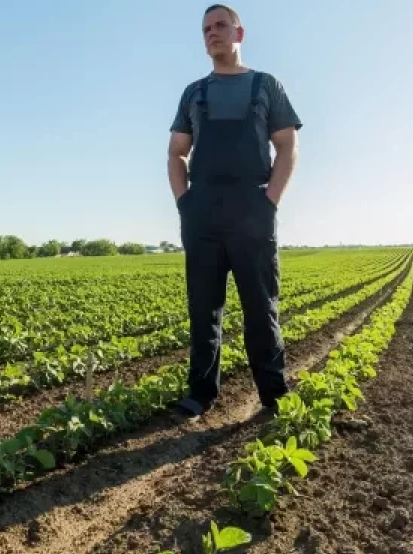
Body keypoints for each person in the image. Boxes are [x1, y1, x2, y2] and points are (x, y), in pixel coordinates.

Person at [167, 4, 302, 420]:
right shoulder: (193, 92)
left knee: (261, 306)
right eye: (206, 28)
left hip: (251, 206)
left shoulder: (266, 86)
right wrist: (185, 203)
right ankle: (201, 393)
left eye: (221, 25)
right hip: (202, 209)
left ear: (239, 34)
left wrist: (270, 200)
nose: (213, 33)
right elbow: (175, 153)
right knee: (203, 307)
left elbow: (286, 147)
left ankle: (273, 393)